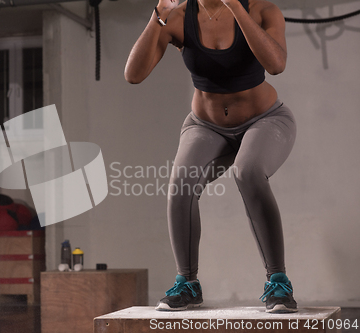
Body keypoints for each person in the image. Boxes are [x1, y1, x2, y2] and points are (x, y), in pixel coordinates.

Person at [125, 0, 298, 313]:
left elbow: (276, 65)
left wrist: (235, 7)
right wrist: (158, 16)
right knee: (180, 185)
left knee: (247, 171)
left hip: (266, 119)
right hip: (205, 125)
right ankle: (187, 283)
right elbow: (133, 75)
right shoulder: (177, 17)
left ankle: (278, 282)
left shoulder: (261, 10)